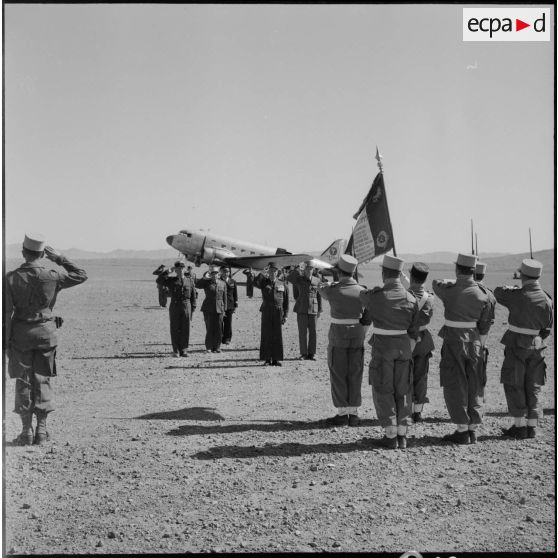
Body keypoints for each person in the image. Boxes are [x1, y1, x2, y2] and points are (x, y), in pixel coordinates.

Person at [5, 234, 88, 445]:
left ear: (23, 253)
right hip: (45, 335)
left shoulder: (11, 278)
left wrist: (5, 343)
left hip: (21, 336)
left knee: (23, 380)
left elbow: (5, 314)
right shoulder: (53, 276)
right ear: (43, 254)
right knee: (43, 379)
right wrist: (59, 258)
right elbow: (81, 274)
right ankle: (41, 431)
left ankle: (26, 432)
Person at [360, 255, 419, 449]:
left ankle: (390, 435)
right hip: (404, 348)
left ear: (384, 272)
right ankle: (402, 434)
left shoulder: (375, 296)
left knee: (383, 388)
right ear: (400, 274)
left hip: (383, 348)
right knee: (404, 390)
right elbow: (414, 333)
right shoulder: (411, 298)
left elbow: (362, 296)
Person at [432, 253, 492, 445]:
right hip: (475, 342)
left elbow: (435, 283)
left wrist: (453, 281)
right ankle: (472, 429)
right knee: (475, 384)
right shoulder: (484, 294)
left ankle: (461, 430)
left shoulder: (448, 290)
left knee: (455, 384)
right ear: (474, 271)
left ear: (457, 269)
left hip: (454, 341)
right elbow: (485, 325)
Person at [493, 259, 553, 439]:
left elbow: (497, 292)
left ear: (522, 275)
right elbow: (547, 328)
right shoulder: (547, 298)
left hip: (517, 344)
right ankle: (532, 426)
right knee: (534, 384)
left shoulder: (517, 295)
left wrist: (513, 286)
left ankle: (519, 426)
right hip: (537, 345)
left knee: (514, 382)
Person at [318, 254, 371, 427]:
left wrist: (330, 282)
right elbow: (368, 314)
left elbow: (320, 288)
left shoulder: (332, 290)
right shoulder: (362, 290)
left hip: (338, 334)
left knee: (338, 372)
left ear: (339, 272)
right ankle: (353, 413)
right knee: (355, 372)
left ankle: (342, 413)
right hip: (357, 333)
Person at [407, 263, 435, 422]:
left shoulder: (405, 295)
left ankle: (406, 408)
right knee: (421, 376)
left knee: (404, 375)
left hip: (405, 338)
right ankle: (417, 412)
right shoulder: (430, 297)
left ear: (411, 276)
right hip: (423, 339)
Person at [156, 261, 197, 357]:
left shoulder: (189, 280)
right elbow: (159, 280)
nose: (180, 270)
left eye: (182, 268)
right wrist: (167, 271)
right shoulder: (171, 280)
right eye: (178, 268)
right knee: (175, 328)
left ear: (184, 269)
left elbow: (193, 296)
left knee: (185, 328)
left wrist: (193, 308)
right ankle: (176, 350)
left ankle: (184, 350)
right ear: (175, 270)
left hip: (186, 306)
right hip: (175, 306)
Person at [253, 262, 289, 366]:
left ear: (277, 272)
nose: (273, 273)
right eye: (271, 271)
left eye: (274, 271)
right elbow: (254, 283)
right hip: (267, 310)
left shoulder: (282, 284)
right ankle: (267, 359)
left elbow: (286, 302)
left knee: (277, 335)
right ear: (268, 272)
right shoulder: (263, 282)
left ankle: (276, 359)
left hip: (278, 311)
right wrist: (261, 273)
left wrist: (285, 315)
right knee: (267, 334)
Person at [287, 260, 323, 360]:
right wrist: (297, 268)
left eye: (310, 268)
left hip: (313, 309)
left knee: (313, 332)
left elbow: (319, 296)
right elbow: (289, 278)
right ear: (304, 269)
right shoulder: (299, 279)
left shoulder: (317, 280)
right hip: (301, 308)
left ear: (313, 270)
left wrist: (320, 310)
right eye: (307, 268)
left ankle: (312, 353)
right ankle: (303, 353)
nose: (309, 270)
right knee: (302, 332)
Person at [474, 261, 497, 404]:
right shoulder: (490, 295)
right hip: (480, 340)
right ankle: (479, 402)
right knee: (479, 373)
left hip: (460, 338)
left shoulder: (461, 290)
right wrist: (482, 345)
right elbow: (486, 324)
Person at [195, 265, 228, 353]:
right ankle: (209, 347)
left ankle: (217, 347)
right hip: (208, 308)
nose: (214, 275)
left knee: (219, 328)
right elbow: (197, 285)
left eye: (216, 273)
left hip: (219, 308)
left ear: (218, 274)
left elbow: (225, 298)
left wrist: (224, 310)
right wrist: (204, 277)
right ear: (210, 274)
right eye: (213, 273)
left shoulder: (223, 283)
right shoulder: (206, 282)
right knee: (209, 328)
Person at [220, 266, 238, 345]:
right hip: (220, 305)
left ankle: (227, 338)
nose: (226, 273)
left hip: (230, 305)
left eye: (227, 271)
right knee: (219, 322)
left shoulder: (232, 281)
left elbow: (235, 294)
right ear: (221, 272)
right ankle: (220, 337)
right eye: (224, 271)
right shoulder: (218, 281)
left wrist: (235, 305)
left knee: (228, 323)